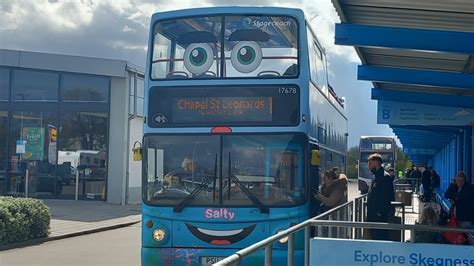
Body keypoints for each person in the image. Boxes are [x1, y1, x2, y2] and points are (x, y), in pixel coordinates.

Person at [366, 153, 395, 241]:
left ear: (376, 163)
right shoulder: (375, 177)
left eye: (370, 164)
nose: (368, 166)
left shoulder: (385, 178)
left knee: (380, 240)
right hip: (372, 218)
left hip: (379, 219)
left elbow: (386, 198)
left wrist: (379, 214)